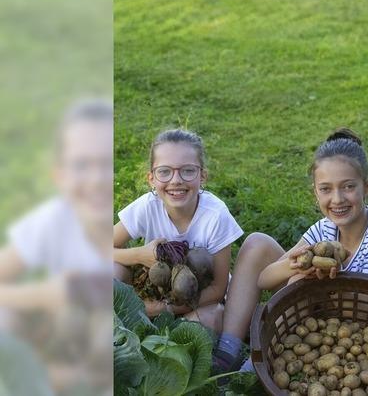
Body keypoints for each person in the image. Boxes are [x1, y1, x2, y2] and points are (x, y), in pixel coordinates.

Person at [211, 128, 368, 373]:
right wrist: (292, 264)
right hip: (322, 316)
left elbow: (363, 313)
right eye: (326, 189)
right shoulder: (324, 228)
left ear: (367, 187)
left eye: (348, 187)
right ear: (315, 193)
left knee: (297, 283)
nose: (337, 199)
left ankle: (261, 361)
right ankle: (227, 350)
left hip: (366, 335)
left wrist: (308, 281)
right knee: (257, 244)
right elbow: (264, 278)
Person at [0, 98, 113, 393]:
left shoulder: (133, 222)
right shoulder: (55, 220)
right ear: (59, 174)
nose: (97, 179)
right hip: (64, 353)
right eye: (81, 165)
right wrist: (43, 295)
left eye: (108, 163)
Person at [113, 129, 243, 332]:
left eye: (188, 170)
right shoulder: (147, 206)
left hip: (198, 301)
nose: (176, 180)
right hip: (154, 290)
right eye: (164, 171)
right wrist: (140, 255)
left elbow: (218, 289)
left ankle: (156, 328)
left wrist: (163, 309)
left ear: (203, 176)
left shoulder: (216, 215)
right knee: (111, 271)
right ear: (151, 179)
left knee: (212, 317)